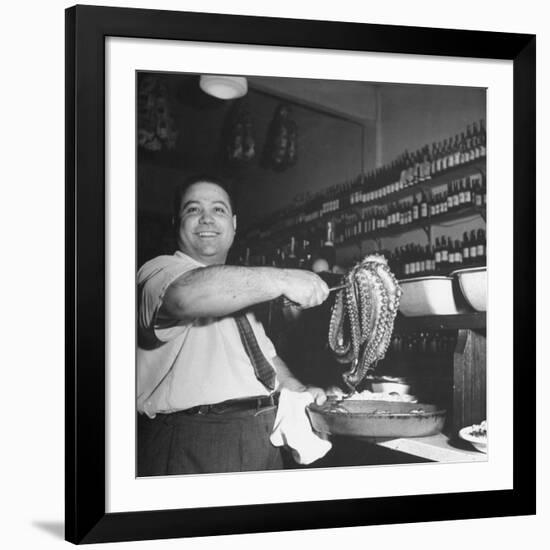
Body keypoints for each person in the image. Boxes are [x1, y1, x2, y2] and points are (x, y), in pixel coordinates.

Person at [137, 175, 331, 476]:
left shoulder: (238, 289)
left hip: (261, 437)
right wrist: (283, 278)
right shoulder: (158, 271)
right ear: (177, 222)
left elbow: (266, 362)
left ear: (234, 224)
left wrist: (300, 390)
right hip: (194, 439)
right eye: (192, 210)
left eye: (219, 210)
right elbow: (183, 298)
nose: (206, 218)